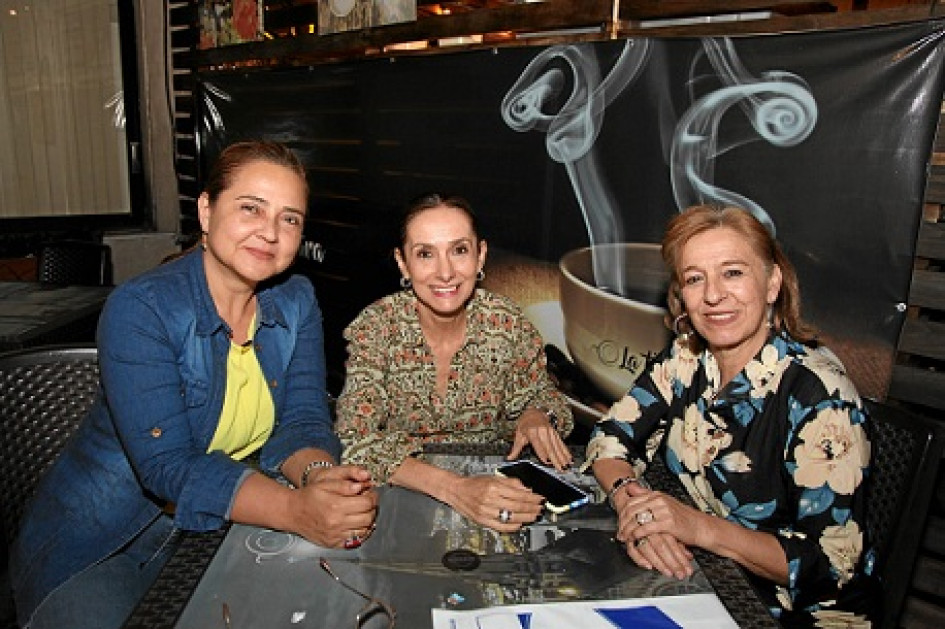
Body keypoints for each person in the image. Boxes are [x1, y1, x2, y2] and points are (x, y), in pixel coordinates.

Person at [10, 140, 378, 629]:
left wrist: (319, 479)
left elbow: (303, 419)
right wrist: (296, 509)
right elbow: (167, 465)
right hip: (102, 544)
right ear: (206, 210)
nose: (270, 232)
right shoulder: (143, 308)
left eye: (289, 219)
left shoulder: (296, 300)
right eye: (251, 208)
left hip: (219, 528)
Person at [584, 204, 876, 627]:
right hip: (704, 580)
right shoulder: (686, 360)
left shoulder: (821, 397)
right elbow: (611, 437)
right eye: (695, 278)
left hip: (793, 614)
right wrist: (636, 506)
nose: (713, 295)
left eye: (733, 273)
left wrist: (697, 528)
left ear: (772, 282)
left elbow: (829, 564)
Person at [336, 193, 574, 532]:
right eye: (425, 254)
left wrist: (536, 414)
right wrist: (456, 489)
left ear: (481, 256)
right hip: (403, 494)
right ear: (403, 264)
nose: (445, 272)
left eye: (459, 250)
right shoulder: (377, 328)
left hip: (495, 495)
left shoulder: (507, 324)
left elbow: (547, 401)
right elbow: (354, 439)